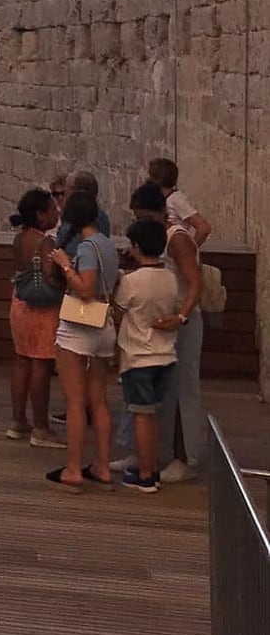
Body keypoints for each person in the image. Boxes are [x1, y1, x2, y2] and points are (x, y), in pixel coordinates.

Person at [116, 182, 203, 484]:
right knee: (157, 393)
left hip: (181, 320)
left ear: (160, 213)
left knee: (182, 390)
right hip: (161, 320)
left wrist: (180, 316)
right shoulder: (157, 239)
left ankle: (186, 456)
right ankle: (151, 454)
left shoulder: (177, 239)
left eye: (144, 218)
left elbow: (194, 281)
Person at [45, 191, 120, 492]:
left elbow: (85, 289)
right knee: (98, 401)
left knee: (75, 402)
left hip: (79, 326)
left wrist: (65, 264)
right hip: (103, 324)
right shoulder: (107, 245)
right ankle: (102, 465)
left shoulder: (87, 248)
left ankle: (74, 468)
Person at [112, 218, 183, 494]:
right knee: (152, 415)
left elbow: (118, 310)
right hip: (166, 355)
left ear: (136, 247)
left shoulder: (131, 281)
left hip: (138, 357)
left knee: (140, 415)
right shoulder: (170, 279)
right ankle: (151, 465)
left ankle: (145, 475)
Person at [6, 188, 64, 448]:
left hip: (20, 303)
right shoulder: (45, 242)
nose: (57, 212)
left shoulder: (19, 239)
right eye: (53, 209)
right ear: (41, 216)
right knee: (41, 363)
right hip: (42, 309)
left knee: (22, 360)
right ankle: (41, 426)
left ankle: (19, 421)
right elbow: (51, 276)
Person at [147, 157, 212, 249]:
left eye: (150, 175)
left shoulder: (176, 199)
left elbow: (204, 228)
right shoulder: (158, 198)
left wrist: (189, 250)